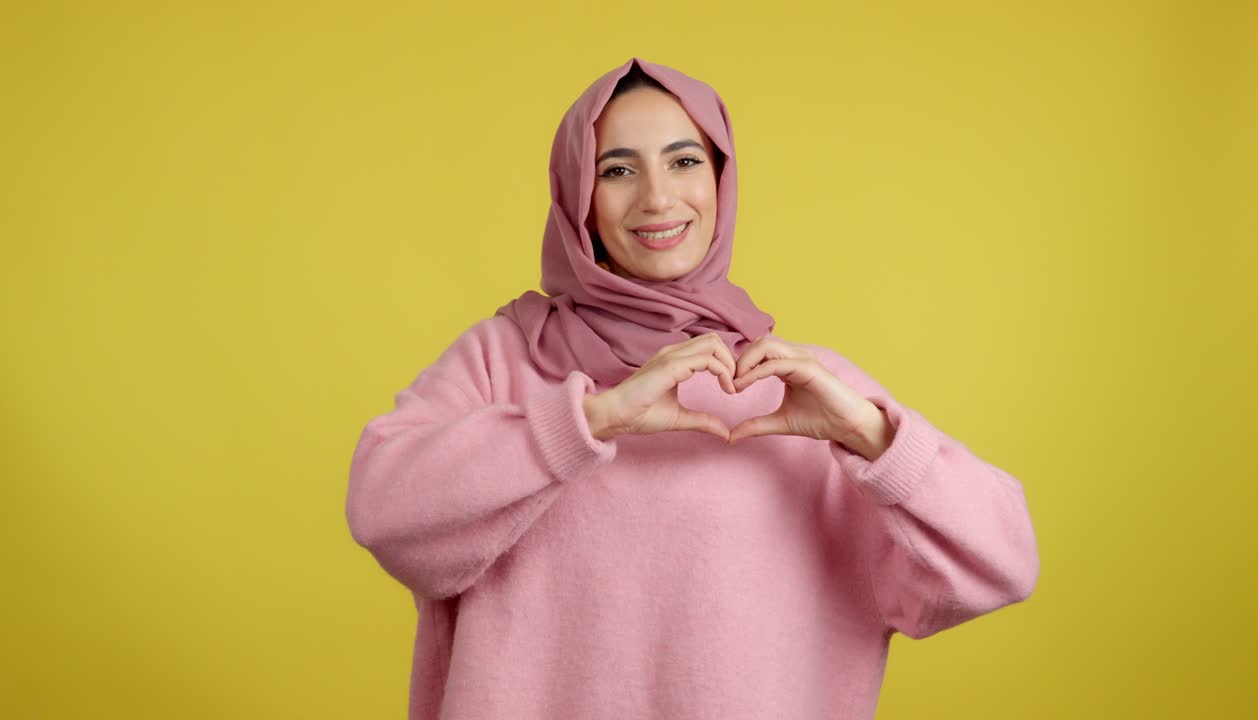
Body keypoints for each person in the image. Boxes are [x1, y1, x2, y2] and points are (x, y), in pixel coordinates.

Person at [346, 56, 1040, 720]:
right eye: (617, 170)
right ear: (578, 197)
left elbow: (1003, 565)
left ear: (720, 180)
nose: (657, 197)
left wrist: (870, 436)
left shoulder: (802, 391)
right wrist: (590, 420)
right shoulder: (505, 358)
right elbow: (382, 509)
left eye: (684, 161)